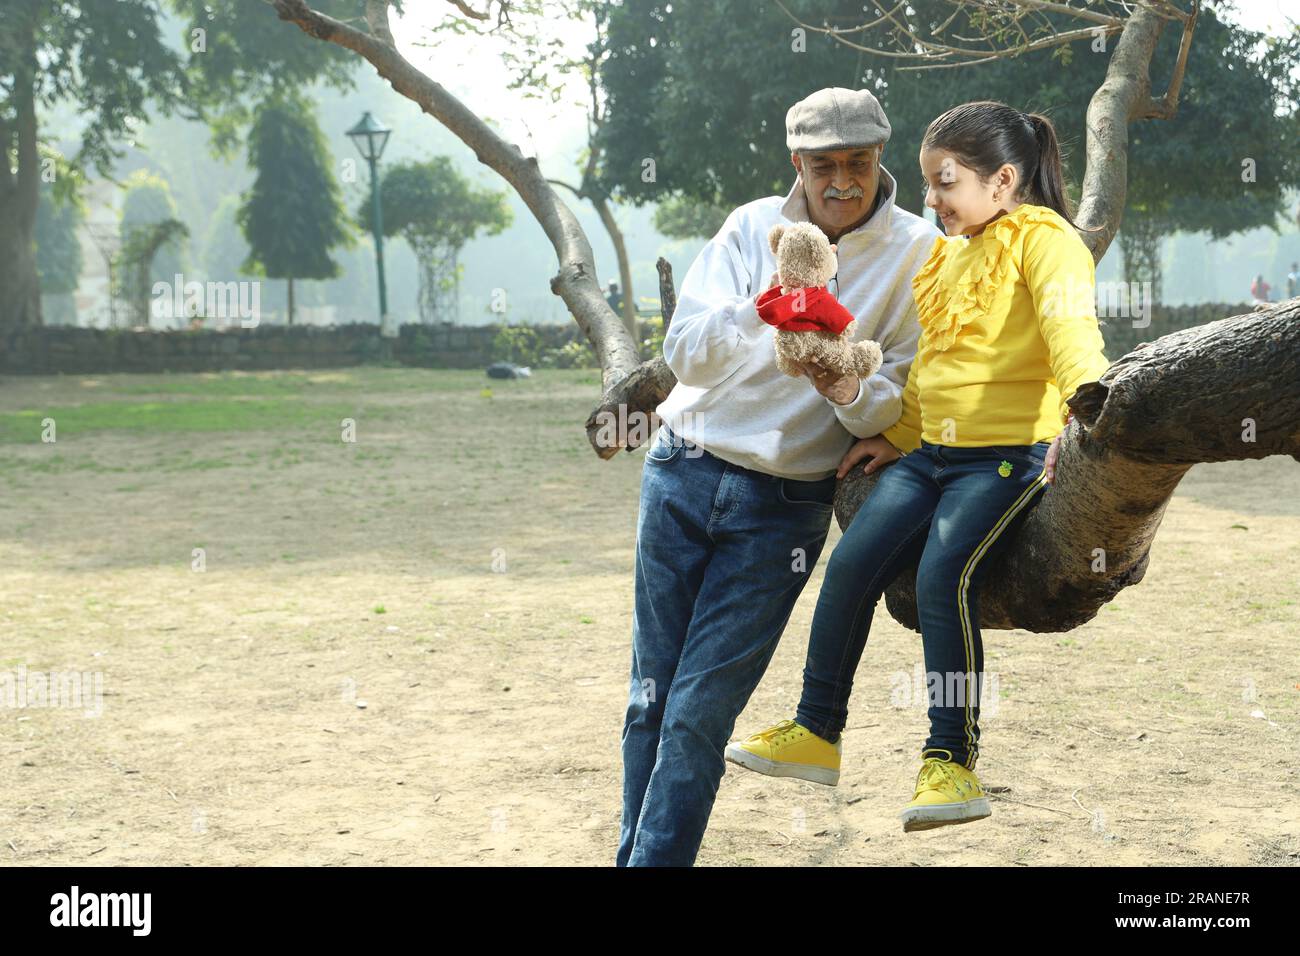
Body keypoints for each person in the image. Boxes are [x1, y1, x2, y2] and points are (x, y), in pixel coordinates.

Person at [727, 101, 1111, 833]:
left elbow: (1070, 327)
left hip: (1005, 459)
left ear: (1003, 181)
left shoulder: (1047, 241)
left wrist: (1081, 407)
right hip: (932, 454)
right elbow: (936, 366)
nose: (928, 199)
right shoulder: (946, 253)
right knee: (848, 568)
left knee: (944, 575)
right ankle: (815, 731)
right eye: (931, 185)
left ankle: (951, 761)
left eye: (945, 183)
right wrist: (898, 433)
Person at [617, 87, 941, 866]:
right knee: (648, 701)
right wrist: (764, 311)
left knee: (697, 711)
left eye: (856, 163)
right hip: (681, 473)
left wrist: (845, 388)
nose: (840, 181)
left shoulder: (918, 253)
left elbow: (894, 394)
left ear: (879, 162)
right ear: (796, 163)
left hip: (784, 508)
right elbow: (686, 346)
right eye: (823, 164)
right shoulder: (751, 227)